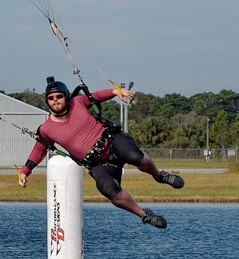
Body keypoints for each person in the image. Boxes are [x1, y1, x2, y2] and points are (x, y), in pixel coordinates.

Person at [18, 76, 184, 228]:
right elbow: (39, 150)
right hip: (95, 162)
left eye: (59, 97)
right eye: (51, 99)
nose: (55, 101)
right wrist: (25, 171)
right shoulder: (47, 129)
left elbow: (97, 96)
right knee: (109, 190)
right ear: (47, 102)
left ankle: (159, 176)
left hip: (110, 141)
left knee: (135, 157)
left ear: (66, 96)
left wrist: (117, 91)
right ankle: (144, 214)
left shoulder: (78, 103)